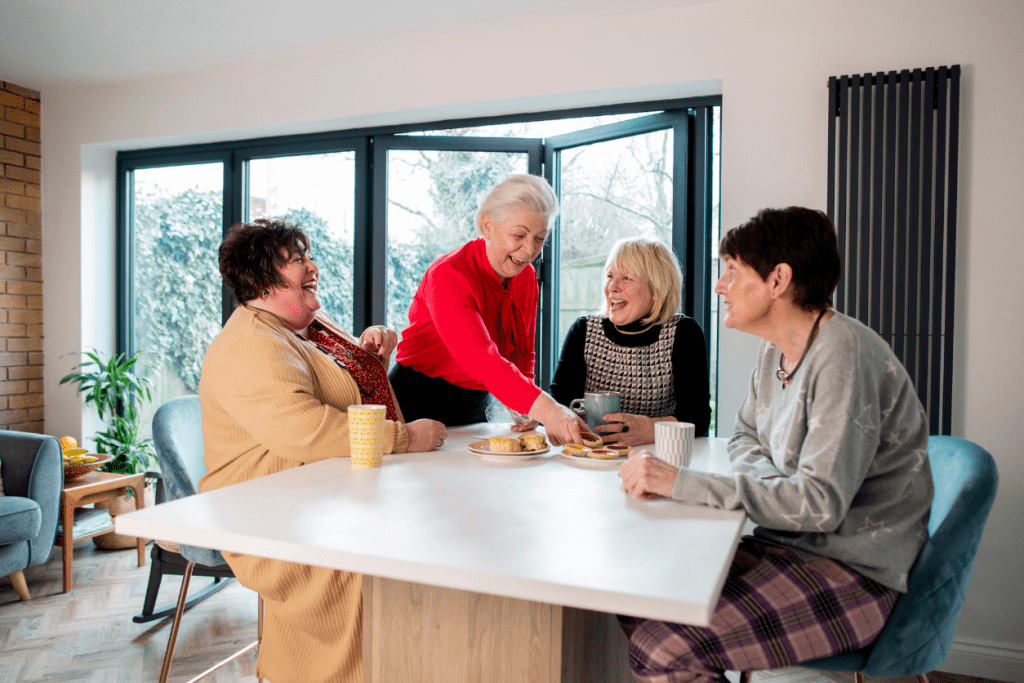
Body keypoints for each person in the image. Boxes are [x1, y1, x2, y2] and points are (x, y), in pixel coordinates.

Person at [618, 207, 933, 683]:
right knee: (635, 591)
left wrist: (683, 482)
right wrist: (774, 482)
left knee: (663, 650)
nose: (721, 287)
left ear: (778, 280)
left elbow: (818, 504)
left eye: (732, 271)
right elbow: (745, 435)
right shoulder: (776, 352)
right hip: (789, 545)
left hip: (851, 574)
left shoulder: (842, 355)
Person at [198, 218, 447, 683]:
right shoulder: (252, 344)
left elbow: (346, 388)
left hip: (322, 492)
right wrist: (405, 438)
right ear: (261, 282)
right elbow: (309, 431)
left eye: (307, 256)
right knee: (382, 563)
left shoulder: (307, 324)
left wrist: (376, 351)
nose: (312, 267)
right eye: (297, 260)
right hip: (271, 513)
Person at [389, 174, 586, 444]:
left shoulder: (526, 277)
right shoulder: (447, 275)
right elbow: (482, 360)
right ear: (488, 225)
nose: (529, 250)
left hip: (475, 404)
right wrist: (549, 411)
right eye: (519, 235)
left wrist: (524, 405)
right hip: (415, 402)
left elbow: (523, 352)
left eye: (540, 239)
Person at [550, 237, 712, 447]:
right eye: (610, 276)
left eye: (626, 277)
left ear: (655, 290)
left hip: (659, 459)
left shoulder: (684, 333)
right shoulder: (583, 330)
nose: (612, 287)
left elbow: (698, 419)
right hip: (593, 460)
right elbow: (559, 403)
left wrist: (650, 430)